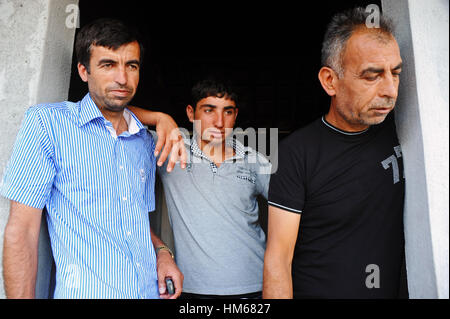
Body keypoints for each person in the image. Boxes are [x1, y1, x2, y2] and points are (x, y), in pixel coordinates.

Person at [1, 18, 185, 299]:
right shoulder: (48, 125)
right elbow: (22, 233)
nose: (122, 78)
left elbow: (132, 219)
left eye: (131, 66)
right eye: (108, 65)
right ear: (83, 71)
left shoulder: (145, 141)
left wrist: (161, 252)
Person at [263, 7, 405, 298]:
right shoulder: (295, 154)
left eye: (396, 73)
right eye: (372, 76)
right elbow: (278, 260)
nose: (390, 90)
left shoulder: (406, 131)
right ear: (330, 81)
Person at [132, 78, 272, 298]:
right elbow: (112, 112)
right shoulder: (172, 148)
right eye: (209, 110)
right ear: (191, 113)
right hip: (191, 289)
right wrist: (160, 118)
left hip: (255, 286)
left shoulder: (253, 160)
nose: (219, 122)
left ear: (235, 116)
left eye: (227, 112)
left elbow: (291, 207)